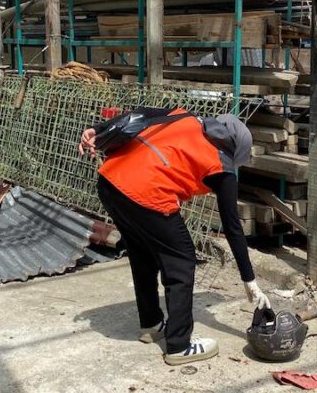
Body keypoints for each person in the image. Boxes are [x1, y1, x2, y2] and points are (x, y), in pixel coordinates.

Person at [79, 107, 269, 365]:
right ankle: (179, 344)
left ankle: (152, 325)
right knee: (181, 260)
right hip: (145, 192)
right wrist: (250, 280)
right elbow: (233, 227)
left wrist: (98, 129)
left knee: (142, 253)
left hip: (110, 182)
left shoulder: (185, 117)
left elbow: (140, 112)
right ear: (234, 148)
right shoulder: (221, 164)